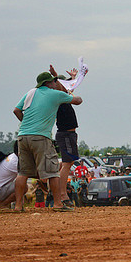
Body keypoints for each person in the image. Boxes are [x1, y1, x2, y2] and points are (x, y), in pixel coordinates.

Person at [12, 71, 82, 212]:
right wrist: (69, 91)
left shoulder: (31, 93)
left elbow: (16, 110)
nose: (54, 83)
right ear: (48, 83)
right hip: (40, 136)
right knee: (52, 171)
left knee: (22, 173)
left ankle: (18, 206)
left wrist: (26, 124)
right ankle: (58, 204)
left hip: (22, 135)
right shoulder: (53, 94)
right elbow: (78, 100)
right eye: (53, 81)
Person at [52, 66, 81, 208]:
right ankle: (62, 194)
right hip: (66, 134)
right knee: (67, 164)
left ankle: (60, 192)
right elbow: (63, 89)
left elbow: (68, 89)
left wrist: (74, 78)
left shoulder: (63, 96)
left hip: (69, 134)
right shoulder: (58, 96)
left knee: (66, 164)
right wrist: (56, 76)